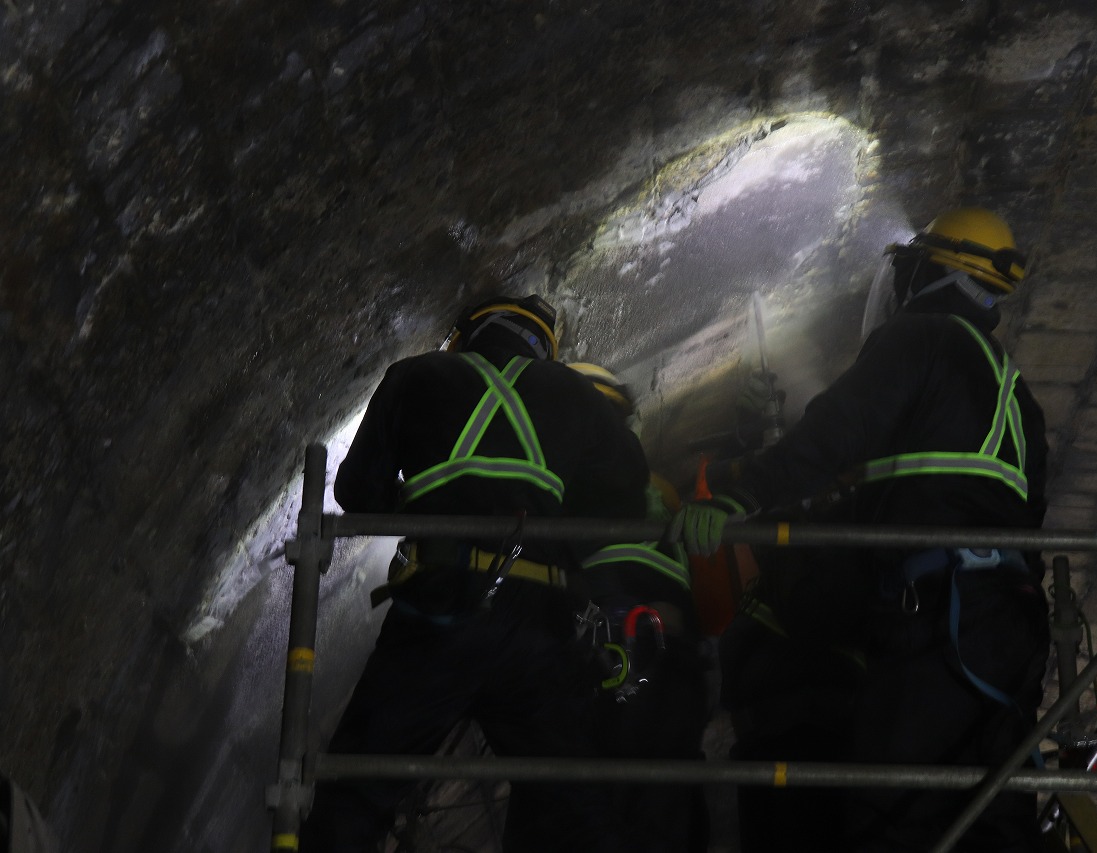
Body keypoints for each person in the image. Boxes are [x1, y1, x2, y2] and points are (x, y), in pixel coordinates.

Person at [678, 207, 1051, 851]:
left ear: (929, 270)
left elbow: (834, 431)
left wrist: (741, 492)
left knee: (894, 819)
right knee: (989, 818)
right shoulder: (1018, 400)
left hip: (935, 620)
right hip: (1009, 629)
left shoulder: (923, 339)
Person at [300, 294, 650, 853]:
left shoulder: (415, 376)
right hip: (537, 619)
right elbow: (628, 491)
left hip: (442, 606)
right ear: (544, 348)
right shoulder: (573, 393)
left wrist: (429, 508)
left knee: (359, 789)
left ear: (467, 335)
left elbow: (355, 492)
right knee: (576, 805)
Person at [567, 362, 712, 853]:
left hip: (617, 632)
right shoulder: (653, 484)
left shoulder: (572, 478)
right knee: (669, 784)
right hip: (670, 642)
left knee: (611, 790)